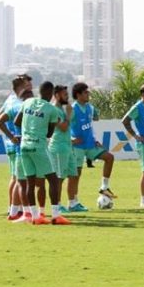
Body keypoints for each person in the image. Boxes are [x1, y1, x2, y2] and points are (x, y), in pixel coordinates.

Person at [15, 82, 69, 225]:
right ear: (51, 93)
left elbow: (16, 121)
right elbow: (50, 133)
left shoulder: (28, 102)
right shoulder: (52, 110)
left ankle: (35, 216)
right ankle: (56, 215)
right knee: (53, 179)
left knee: (30, 182)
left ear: (38, 91)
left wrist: (28, 129)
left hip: (24, 146)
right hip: (39, 146)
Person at [67, 82, 117, 212]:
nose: (88, 94)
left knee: (109, 157)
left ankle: (104, 187)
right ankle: (73, 202)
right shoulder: (73, 109)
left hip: (90, 145)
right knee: (76, 175)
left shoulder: (90, 107)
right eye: (85, 92)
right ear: (78, 95)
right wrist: (71, 139)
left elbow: (94, 120)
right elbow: (63, 126)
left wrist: (95, 139)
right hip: (77, 146)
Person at [0, 74, 31, 221]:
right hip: (16, 143)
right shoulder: (18, 103)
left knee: (15, 177)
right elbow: (0, 119)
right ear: (21, 87)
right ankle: (14, 209)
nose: (30, 87)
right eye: (27, 84)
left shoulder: (9, 99)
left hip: (11, 142)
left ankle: (14, 208)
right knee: (18, 178)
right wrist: (12, 135)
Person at [47, 84, 77, 223]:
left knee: (71, 174)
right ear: (57, 95)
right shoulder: (54, 110)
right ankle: (57, 205)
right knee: (58, 177)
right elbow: (63, 127)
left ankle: (72, 203)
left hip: (67, 146)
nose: (67, 97)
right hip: (58, 147)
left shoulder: (61, 109)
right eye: (65, 95)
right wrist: (69, 114)